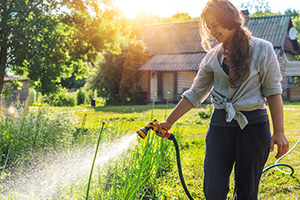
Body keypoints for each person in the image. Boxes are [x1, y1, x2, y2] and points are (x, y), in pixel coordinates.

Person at [156, 0, 289, 199]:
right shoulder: (211, 57)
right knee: (213, 189)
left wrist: (279, 132)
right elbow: (194, 94)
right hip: (220, 125)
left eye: (215, 25)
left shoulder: (263, 49)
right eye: (208, 27)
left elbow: (272, 91)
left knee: (246, 192)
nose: (211, 31)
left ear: (230, 19)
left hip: (253, 126)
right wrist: (169, 121)